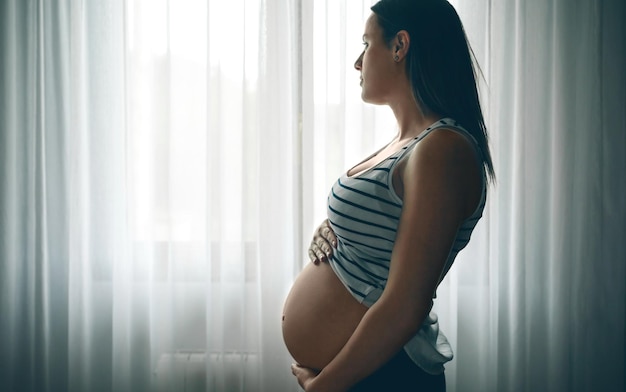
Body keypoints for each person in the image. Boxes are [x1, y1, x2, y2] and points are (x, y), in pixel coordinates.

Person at [282, 0, 495, 390]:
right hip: (364, 375)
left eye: (367, 43)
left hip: (385, 376)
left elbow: (404, 306)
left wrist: (325, 386)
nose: (357, 62)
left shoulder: (443, 149)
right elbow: (382, 240)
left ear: (400, 46)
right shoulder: (406, 145)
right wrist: (331, 234)